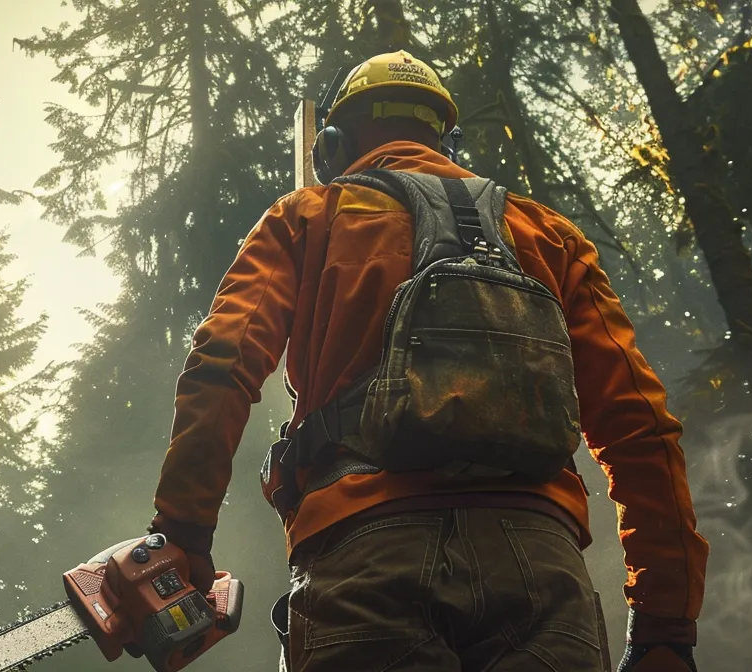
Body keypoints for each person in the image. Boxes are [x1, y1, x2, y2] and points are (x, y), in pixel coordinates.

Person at [144, 51, 708, 671]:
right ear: (450, 140)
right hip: (542, 572)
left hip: (366, 560)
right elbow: (641, 428)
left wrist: (183, 533)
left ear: (330, 145)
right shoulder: (548, 235)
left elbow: (221, 365)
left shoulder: (306, 218)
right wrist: (665, 625)